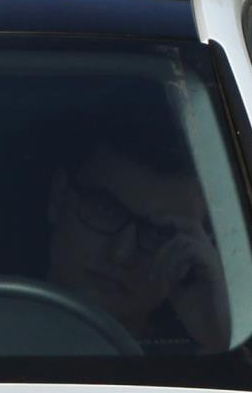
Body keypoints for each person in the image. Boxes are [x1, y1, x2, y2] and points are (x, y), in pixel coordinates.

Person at [44, 135, 227, 347]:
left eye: (159, 233)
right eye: (105, 210)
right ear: (58, 197)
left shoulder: (205, 360)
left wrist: (217, 339)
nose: (121, 254)